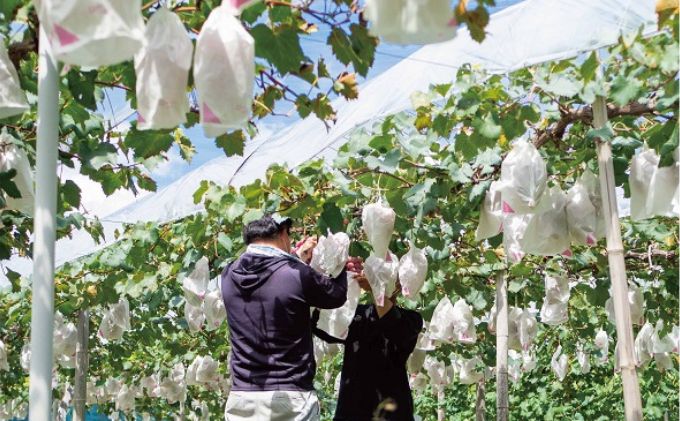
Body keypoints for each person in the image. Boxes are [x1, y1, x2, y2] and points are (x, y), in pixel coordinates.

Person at [220, 214, 356, 421]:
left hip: (243, 397)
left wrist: (298, 258)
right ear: (283, 233)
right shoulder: (296, 274)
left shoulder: (228, 274)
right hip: (291, 398)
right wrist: (340, 266)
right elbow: (335, 296)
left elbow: (272, 279)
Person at [314, 276, 423, 421]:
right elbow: (325, 329)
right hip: (351, 413)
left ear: (398, 286)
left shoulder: (412, 319)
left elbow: (392, 322)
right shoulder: (357, 314)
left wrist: (375, 288)